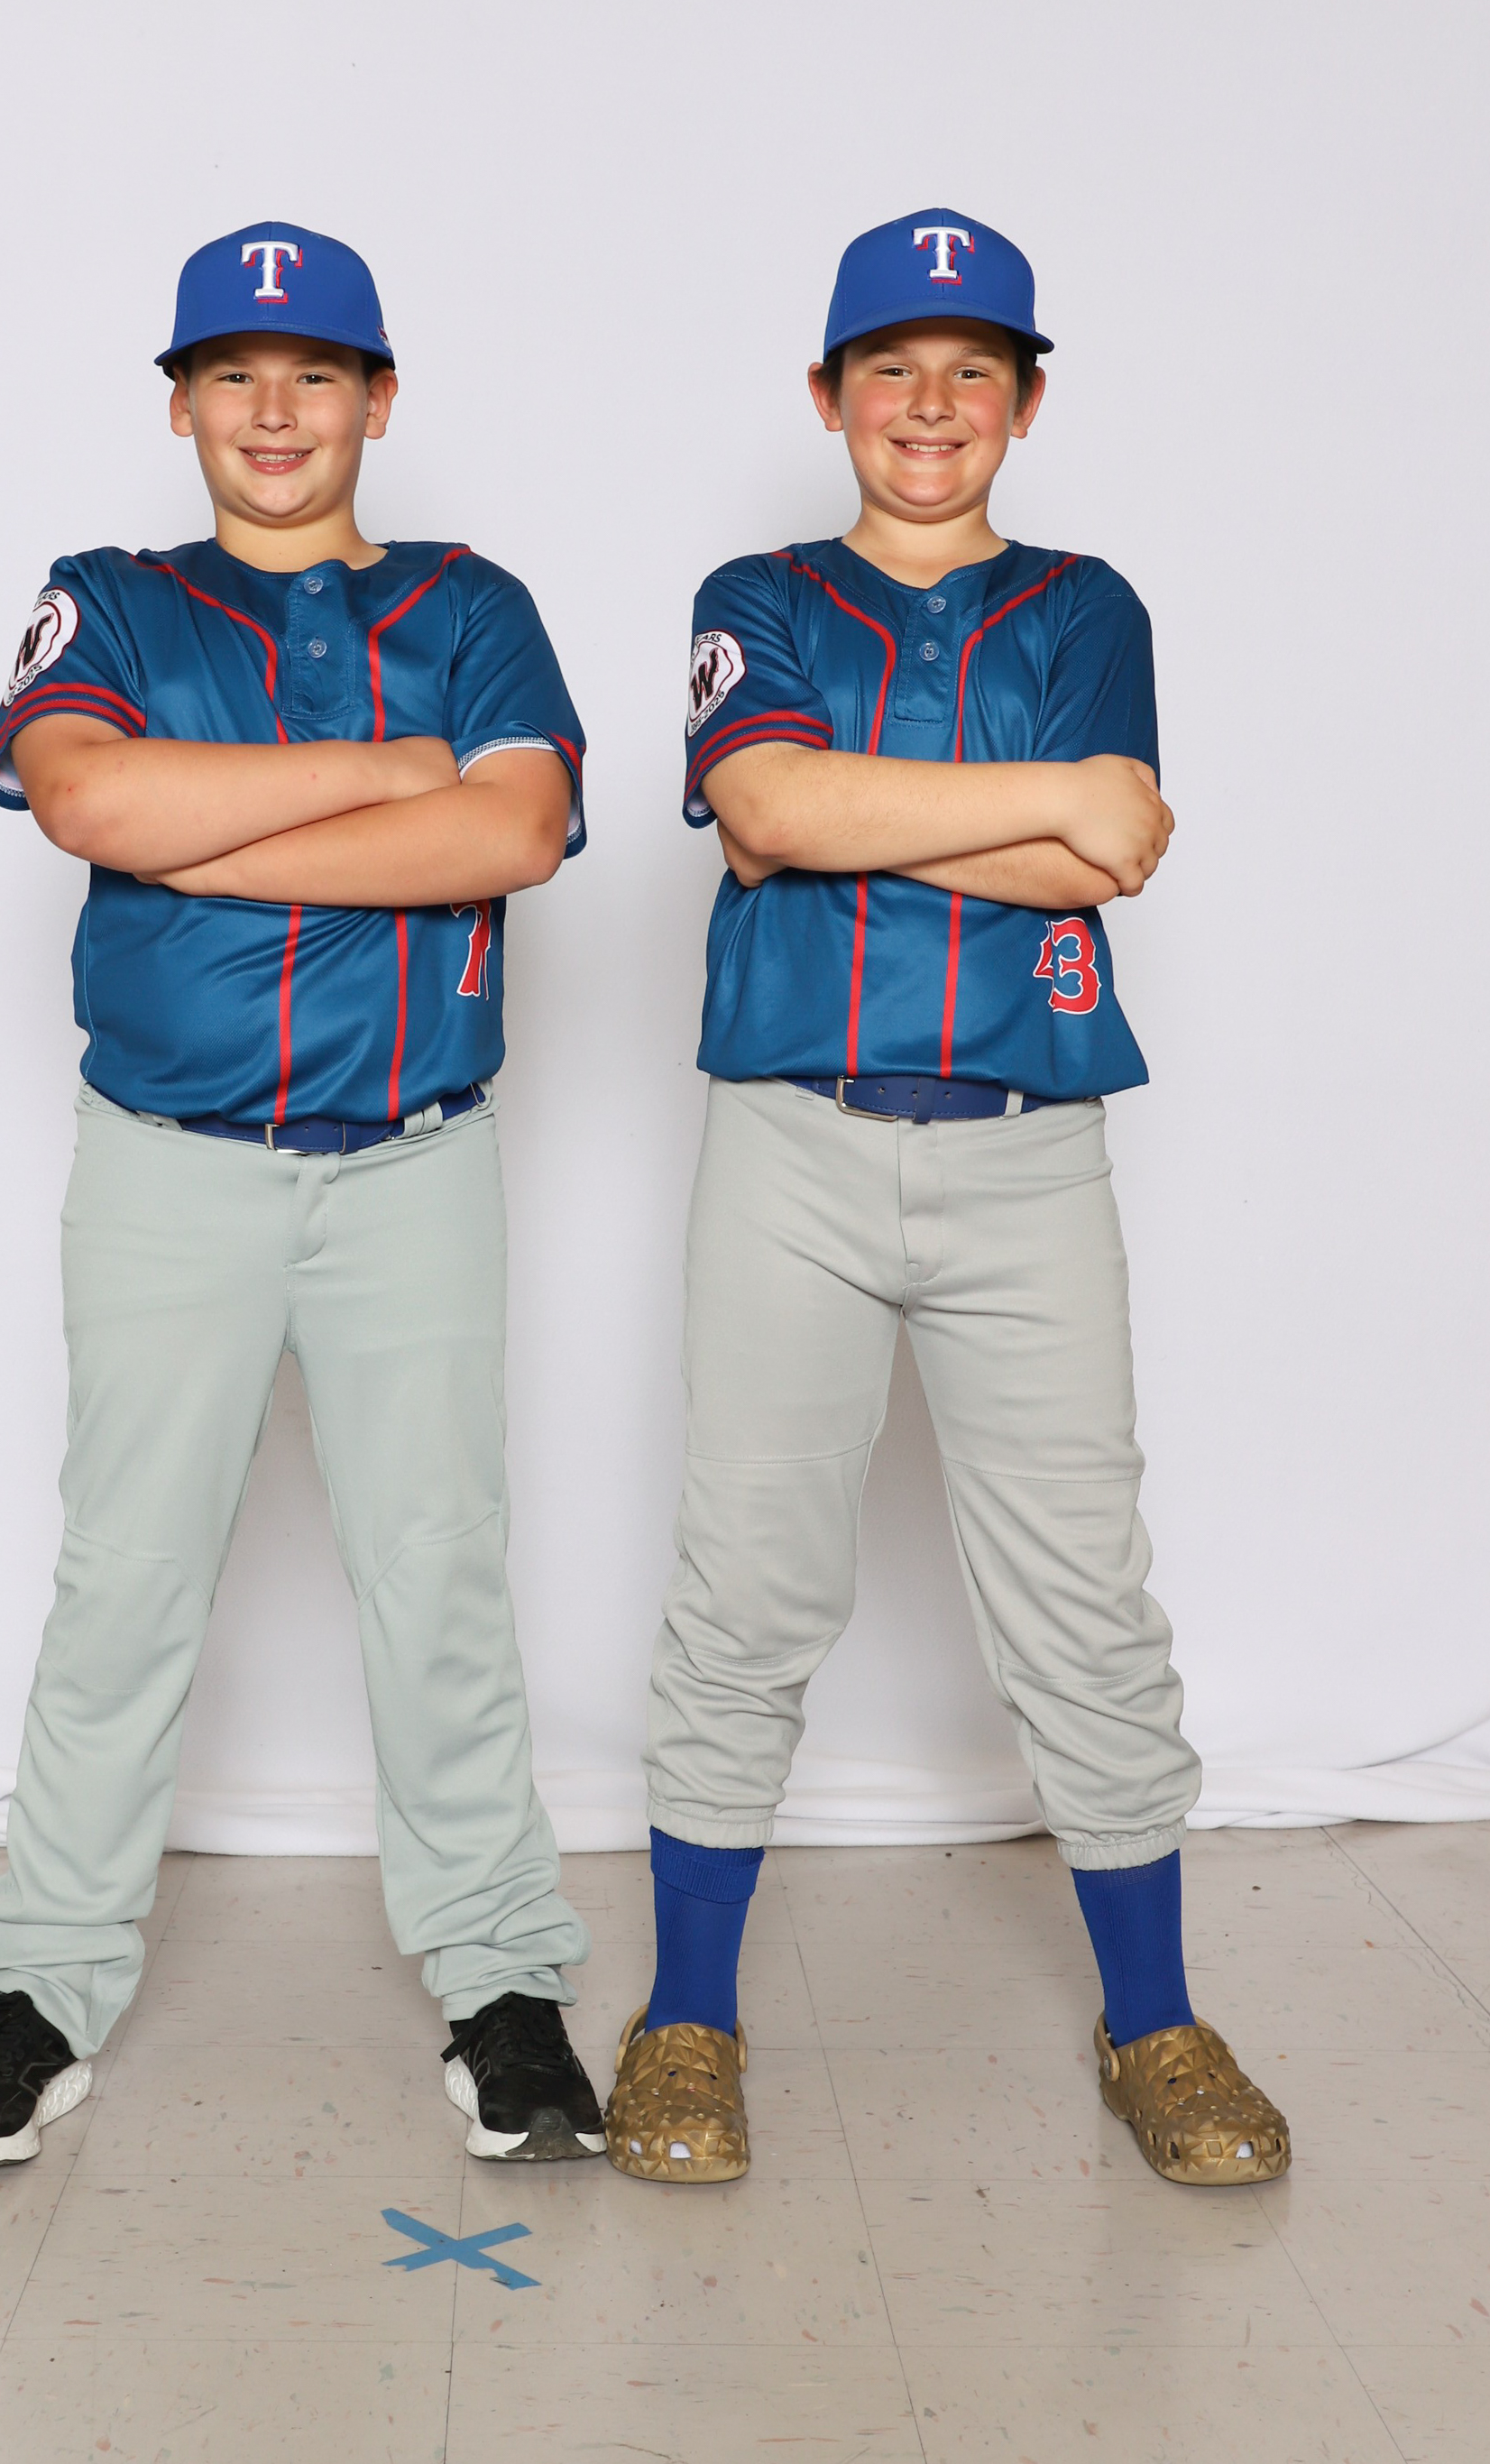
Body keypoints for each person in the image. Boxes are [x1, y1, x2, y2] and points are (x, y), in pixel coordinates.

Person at [0, 222, 604, 2172]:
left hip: (413, 1162)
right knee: (122, 1579)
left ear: (378, 400)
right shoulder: (113, 598)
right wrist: (386, 774)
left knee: (438, 1574)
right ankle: (41, 1981)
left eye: (313, 374)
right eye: (232, 374)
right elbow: (89, 801)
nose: (273, 410)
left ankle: (501, 1977)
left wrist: (214, 823)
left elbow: (517, 828)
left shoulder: (471, 601)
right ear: (182, 404)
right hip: (169, 1163)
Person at [605, 209, 1290, 2190]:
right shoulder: (760, 592)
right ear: (828, 395)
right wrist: (1002, 801)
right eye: (890, 368)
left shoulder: (1085, 605)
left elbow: (1108, 854)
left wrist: (850, 822)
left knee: (1084, 1595)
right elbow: (763, 805)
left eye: (970, 369)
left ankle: (1154, 2021)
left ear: (1025, 402)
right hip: (792, 1143)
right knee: (746, 1585)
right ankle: (686, 2014)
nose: (929, 403)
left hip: (1025, 1147)